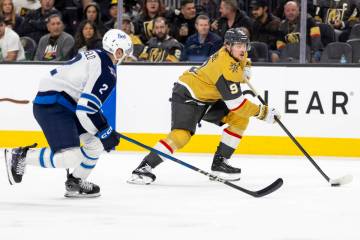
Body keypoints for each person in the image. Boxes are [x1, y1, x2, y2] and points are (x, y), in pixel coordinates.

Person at [128, 28, 280, 185]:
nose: (243, 49)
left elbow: (242, 65)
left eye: (244, 45)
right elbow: (237, 105)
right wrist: (263, 113)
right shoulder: (224, 66)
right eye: (238, 45)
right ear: (228, 46)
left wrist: (246, 65)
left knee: (240, 120)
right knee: (181, 136)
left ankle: (220, 165)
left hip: (208, 98)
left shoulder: (234, 52)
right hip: (188, 95)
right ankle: (143, 168)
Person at [4, 29, 133, 198]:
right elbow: (86, 109)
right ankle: (21, 155)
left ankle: (76, 182)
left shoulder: (96, 55)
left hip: (62, 102)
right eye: (126, 54)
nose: (125, 58)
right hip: (54, 104)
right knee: (71, 157)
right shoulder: (107, 71)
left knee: (94, 145)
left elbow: (86, 106)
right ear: (118, 51)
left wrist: (104, 130)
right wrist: (105, 131)